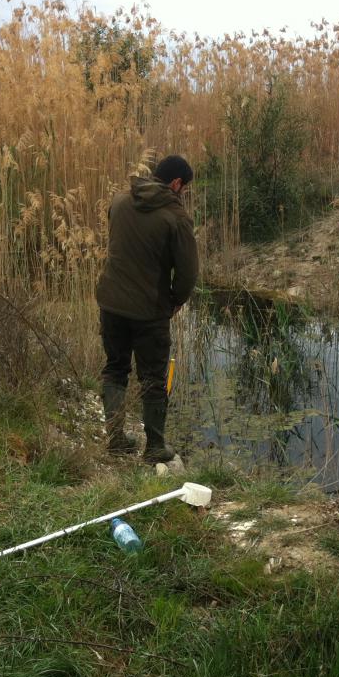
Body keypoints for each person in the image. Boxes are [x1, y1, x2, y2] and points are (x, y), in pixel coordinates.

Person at [96, 155, 199, 464]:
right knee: (153, 379)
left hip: (111, 303)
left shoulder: (119, 201)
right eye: (186, 188)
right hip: (149, 311)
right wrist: (176, 300)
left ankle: (115, 440)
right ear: (177, 183)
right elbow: (188, 272)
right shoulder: (176, 217)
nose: (185, 194)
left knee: (115, 369)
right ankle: (154, 448)